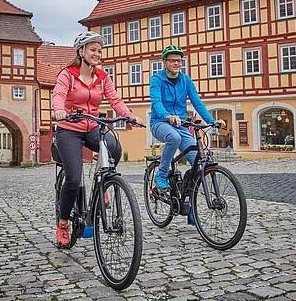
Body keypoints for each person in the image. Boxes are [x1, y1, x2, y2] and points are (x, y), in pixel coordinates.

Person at [53, 31, 143, 248]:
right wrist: (59, 111)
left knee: (114, 148)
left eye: (99, 50)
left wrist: (129, 115)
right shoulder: (68, 74)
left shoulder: (103, 77)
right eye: (93, 50)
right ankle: (64, 222)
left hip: (92, 126)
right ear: (81, 51)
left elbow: (114, 99)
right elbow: (58, 94)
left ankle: (102, 185)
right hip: (69, 128)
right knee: (74, 179)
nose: (97, 54)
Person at [149, 45, 226, 222]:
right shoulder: (157, 80)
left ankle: (188, 203)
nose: (176, 63)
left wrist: (211, 121)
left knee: (197, 163)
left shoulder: (186, 80)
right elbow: (156, 102)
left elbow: (197, 102)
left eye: (179, 60)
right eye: (173, 60)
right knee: (173, 137)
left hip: (181, 124)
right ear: (164, 62)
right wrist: (167, 116)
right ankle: (161, 174)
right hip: (160, 122)